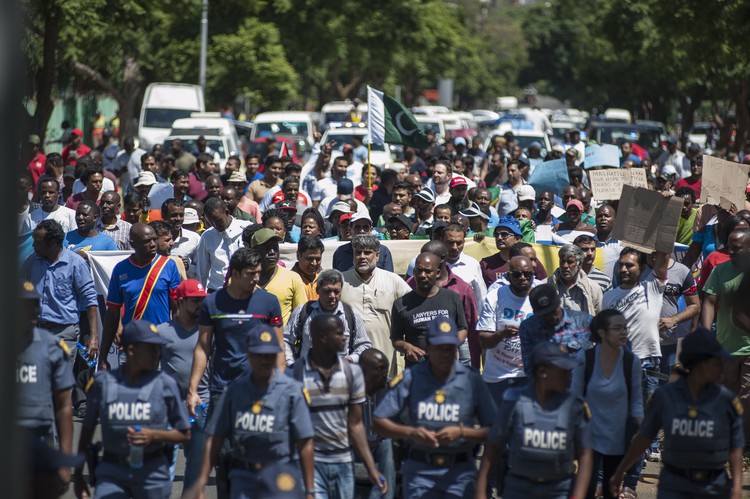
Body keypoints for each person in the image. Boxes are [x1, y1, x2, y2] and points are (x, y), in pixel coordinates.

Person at [609, 328, 744, 499]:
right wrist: (620, 472)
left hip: (714, 487)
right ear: (700, 364)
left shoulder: (726, 402)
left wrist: (737, 488)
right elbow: (644, 438)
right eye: (717, 363)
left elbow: (735, 448)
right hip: (674, 487)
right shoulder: (665, 397)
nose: (722, 368)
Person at [186, 324, 315, 499]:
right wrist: (201, 481)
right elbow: (215, 437)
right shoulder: (234, 391)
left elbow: (305, 442)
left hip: (280, 476)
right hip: (244, 478)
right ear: (248, 354)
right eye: (258, 354)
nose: (264, 360)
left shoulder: (292, 391)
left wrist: (309, 490)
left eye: (269, 355)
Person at [374, 317, 496, 499]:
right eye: (440, 348)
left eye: (450, 348)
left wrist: (463, 433)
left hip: (460, 473)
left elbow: (496, 430)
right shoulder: (411, 378)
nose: (446, 354)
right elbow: (378, 422)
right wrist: (411, 433)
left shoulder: (471, 380)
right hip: (420, 473)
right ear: (429, 348)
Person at [73, 320, 191, 499]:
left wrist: (154, 435)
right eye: (150, 349)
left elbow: (184, 433)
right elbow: (87, 430)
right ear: (131, 350)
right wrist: (79, 475)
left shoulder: (166, 385)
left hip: (152, 474)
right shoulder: (103, 383)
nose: (156, 354)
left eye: (158, 348)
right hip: (112, 473)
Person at [476, 341, 593, 499]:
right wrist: (481, 489)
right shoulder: (514, 402)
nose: (569, 374)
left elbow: (585, 454)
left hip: (559, 490)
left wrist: (577, 496)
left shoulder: (575, 406)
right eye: (563, 370)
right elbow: (493, 445)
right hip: (519, 489)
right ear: (542, 372)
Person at [292, 314, 387, 499]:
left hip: (344, 463)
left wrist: (371, 469)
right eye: (338, 333)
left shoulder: (352, 373)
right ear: (321, 337)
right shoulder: (296, 374)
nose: (345, 337)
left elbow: (356, 425)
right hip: (311, 464)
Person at [571, 310, 643, 499]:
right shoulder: (585, 359)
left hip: (619, 439)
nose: (624, 333)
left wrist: (641, 431)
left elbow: (636, 402)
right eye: (617, 328)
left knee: (611, 491)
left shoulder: (631, 362)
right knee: (585, 490)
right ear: (602, 333)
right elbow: (574, 399)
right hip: (589, 439)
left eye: (625, 328)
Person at [100, 223, 182, 367]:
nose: (152, 244)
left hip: (160, 345)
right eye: (146, 241)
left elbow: (177, 310)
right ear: (133, 244)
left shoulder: (168, 266)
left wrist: (177, 345)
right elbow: (112, 313)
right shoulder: (121, 270)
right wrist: (103, 357)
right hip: (131, 346)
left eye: (154, 239)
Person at [22, 220, 99, 368]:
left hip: (63, 334)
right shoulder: (31, 261)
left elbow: (90, 299)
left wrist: (94, 336)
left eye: (37, 242)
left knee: (60, 385)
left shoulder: (75, 263)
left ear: (51, 243)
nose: (33, 246)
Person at [157, 279, 209, 490]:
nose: (200, 305)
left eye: (202, 300)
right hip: (170, 405)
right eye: (195, 300)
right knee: (165, 464)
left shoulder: (208, 331)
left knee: (196, 466)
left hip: (201, 405)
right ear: (180, 301)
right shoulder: (161, 331)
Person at [17, 281, 74, 463]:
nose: (32, 310)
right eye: (25, 306)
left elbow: (64, 404)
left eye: (35, 305)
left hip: (41, 438)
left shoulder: (52, 347)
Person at [603, 248, 669, 405]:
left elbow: (663, 255)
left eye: (629, 265)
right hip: (619, 363)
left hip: (647, 362)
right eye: (621, 265)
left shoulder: (652, 288)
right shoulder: (608, 297)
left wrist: (663, 230)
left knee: (645, 416)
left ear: (643, 268)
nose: (624, 270)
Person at [701, 229, 750, 436]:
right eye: (729, 246)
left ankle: (743, 439)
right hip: (727, 346)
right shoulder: (720, 271)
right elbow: (709, 302)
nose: (730, 251)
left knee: (747, 396)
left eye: (736, 248)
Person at [341, 235, 412, 374]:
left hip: (386, 356)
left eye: (367, 252)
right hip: (350, 359)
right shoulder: (340, 280)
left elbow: (413, 310)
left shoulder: (393, 281)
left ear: (377, 256)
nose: (362, 257)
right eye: (358, 253)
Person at [391, 252, 468, 368]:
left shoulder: (452, 298)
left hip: (447, 368)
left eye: (427, 271)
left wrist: (448, 346)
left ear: (437, 273)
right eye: (419, 270)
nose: (422, 275)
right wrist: (407, 347)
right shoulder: (400, 304)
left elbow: (463, 329)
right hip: (417, 369)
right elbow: (396, 339)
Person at [284, 269, 372, 365]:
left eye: (336, 291)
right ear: (317, 290)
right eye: (327, 291)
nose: (332, 296)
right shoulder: (303, 312)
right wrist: (291, 364)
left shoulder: (352, 315)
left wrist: (351, 359)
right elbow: (286, 340)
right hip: (307, 375)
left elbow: (364, 344)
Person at [518, 285, 593, 376]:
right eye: (545, 315)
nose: (551, 317)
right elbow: (530, 369)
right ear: (535, 313)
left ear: (559, 303)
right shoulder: (528, 328)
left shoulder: (584, 321)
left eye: (554, 311)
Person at [251, 228, 307, 325]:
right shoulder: (241, 281)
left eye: (275, 247)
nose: (272, 251)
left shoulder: (292, 278)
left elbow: (301, 315)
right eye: (267, 248)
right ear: (254, 251)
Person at [359, 349, 395, 499]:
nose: (384, 375)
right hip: (355, 444)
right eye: (379, 370)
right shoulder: (349, 388)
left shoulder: (392, 388)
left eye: (385, 370)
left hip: (381, 443)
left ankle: (385, 495)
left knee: (388, 447)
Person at [195, 197, 252, 292]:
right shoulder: (207, 236)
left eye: (218, 220)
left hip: (244, 289)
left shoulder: (246, 228)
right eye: (211, 222)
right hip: (217, 290)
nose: (215, 225)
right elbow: (202, 271)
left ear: (226, 212)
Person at [546, 244, 603, 315]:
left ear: (579, 265)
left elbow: (600, 319)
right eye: (562, 261)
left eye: (570, 262)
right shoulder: (546, 285)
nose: (565, 266)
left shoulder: (593, 289)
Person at [442, 223, 487, 308]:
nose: (454, 247)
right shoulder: (434, 264)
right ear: (442, 241)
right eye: (450, 243)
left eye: (459, 243)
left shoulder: (472, 264)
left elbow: (481, 297)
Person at [292, 235, 324, 301]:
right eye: (309, 259)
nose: (314, 263)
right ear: (298, 255)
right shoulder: (289, 281)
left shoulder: (325, 280)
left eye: (318, 259)